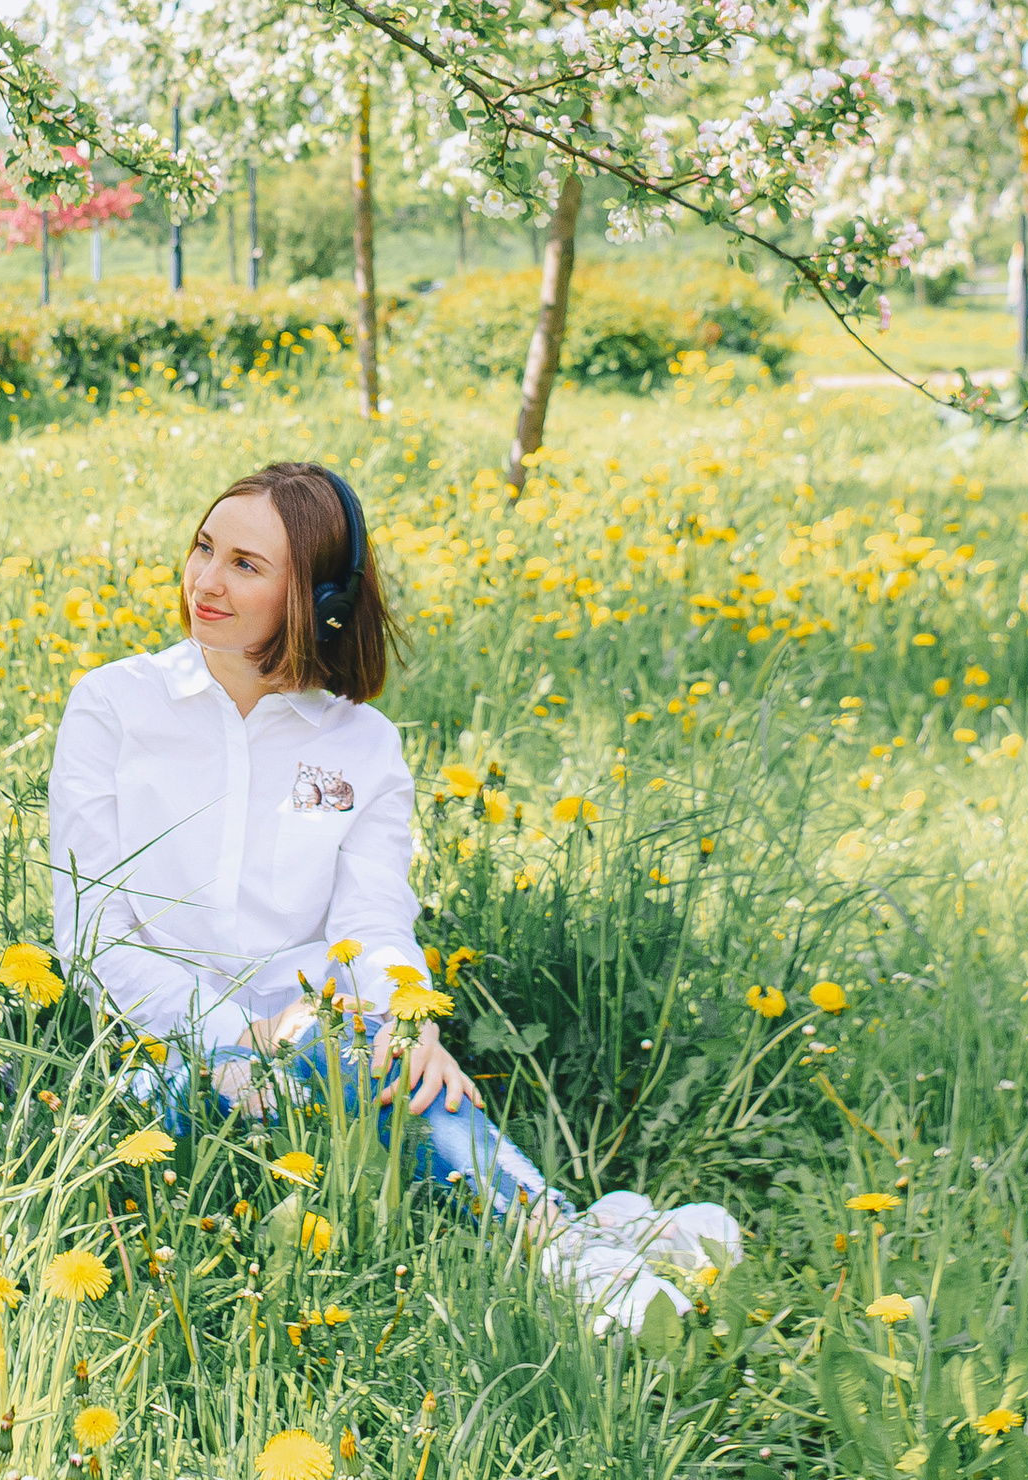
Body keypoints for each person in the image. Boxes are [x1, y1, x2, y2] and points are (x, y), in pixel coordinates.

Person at [47, 457, 740, 1333]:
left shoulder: (361, 745)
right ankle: (569, 1244)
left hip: (330, 1048)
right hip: (161, 1070)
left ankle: (576, 1239)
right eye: (204, 548)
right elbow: (92, 938)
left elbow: (373, 923)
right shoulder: (113, 706)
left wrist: (411, 1025)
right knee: (336, 1045)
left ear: (320, 601)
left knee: (365, 1047)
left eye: (245, 565)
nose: (205, 582)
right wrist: (244, 1036)